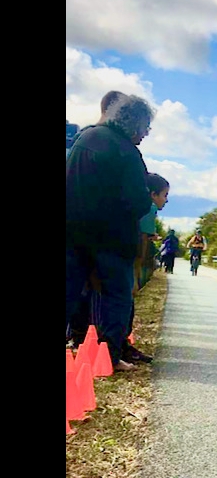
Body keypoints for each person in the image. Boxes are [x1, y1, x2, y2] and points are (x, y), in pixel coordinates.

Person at [66, 92, 155, 371]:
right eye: (145, 128)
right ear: (135, 124)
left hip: (73, 232)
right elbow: (139, 201)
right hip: (112, 238)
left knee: (69, 291)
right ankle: (108, 358)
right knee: (116, 296)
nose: (145, 134)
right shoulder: (127, 152)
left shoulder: (85, 139)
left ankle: (76, 343)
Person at [66, 91, 127, 347]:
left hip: (74, 229)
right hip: (98, 234)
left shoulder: (81, 140)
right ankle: (101, 346)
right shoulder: (109, 143)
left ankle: (80, 339)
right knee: (101, 291)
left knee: (74, 289)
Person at [123, 172, 170, 364]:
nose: (166, 200)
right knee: (125, 302)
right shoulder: (149, 208)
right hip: (125, 260)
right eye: (164, 195)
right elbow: (141, 241)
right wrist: (135, 276)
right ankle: (121, 346)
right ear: (153, 194)